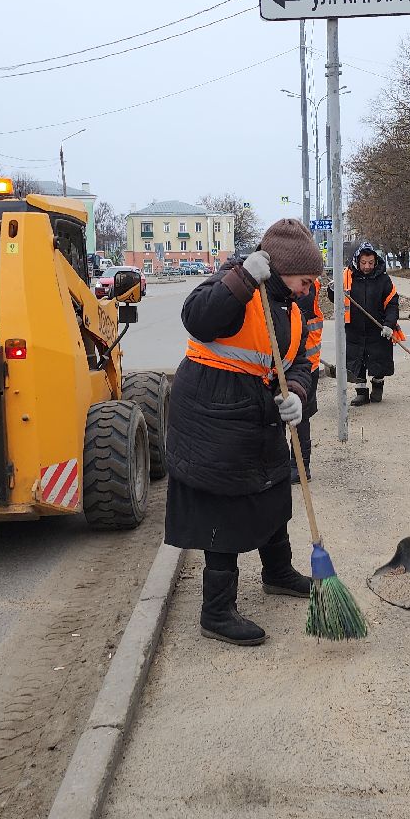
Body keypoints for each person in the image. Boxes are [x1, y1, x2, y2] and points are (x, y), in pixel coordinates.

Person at [163, 218, 326, 647]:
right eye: (305, 279)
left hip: (258, 410)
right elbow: (197, 318)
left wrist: (298, 392)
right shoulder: (238, 284)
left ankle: (278, 573)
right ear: (281, 268)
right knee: (225, 511)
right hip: (213, 413)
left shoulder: (292, 304)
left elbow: (301, 361)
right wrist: (241, 279)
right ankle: (216, 611)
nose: (309, 288)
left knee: (273, 492)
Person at [337, 243, 400, 406]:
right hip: (355, 329)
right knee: (358, 362)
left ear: (375, 261)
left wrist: (389, 324)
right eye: (363, 262)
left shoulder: (383, 279)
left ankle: (377, 387)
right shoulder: (347, 276)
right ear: (357, 261)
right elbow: (336, 299)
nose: (367, 266)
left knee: (378, 360)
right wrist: (333, 290)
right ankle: (361, 393)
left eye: (370, 262)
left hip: (377, 328)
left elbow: (392, 304)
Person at [290, 274, 325, 483]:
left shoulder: (305, 284)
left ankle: (299, 466)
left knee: (299, 417)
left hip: (304, 364)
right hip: (296, 361)